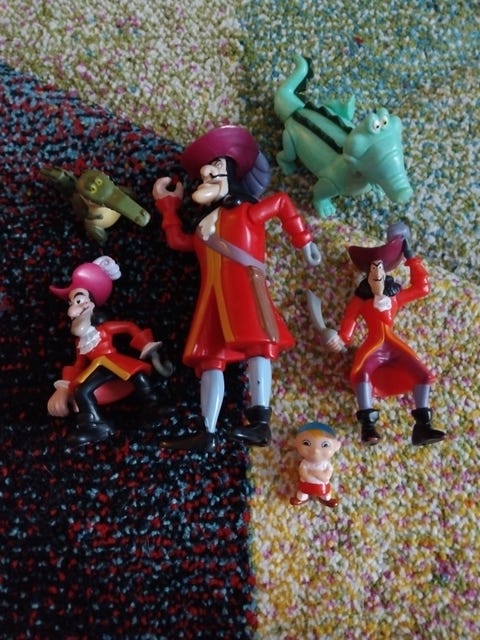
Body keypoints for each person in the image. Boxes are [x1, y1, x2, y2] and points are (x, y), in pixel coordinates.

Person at [153, 125, 321, 452]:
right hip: (211, 299)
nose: (206, 175)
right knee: (209, 359)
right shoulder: (203, 225)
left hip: (245, 289)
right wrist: (169, 207)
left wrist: (304, 241)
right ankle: (207, 431)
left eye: (214, 168)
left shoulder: (247, 212)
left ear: (231, 174)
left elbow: (282, 203)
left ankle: (260, 422)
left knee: (259, 345)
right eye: (204, 172)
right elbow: (178, 241)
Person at [325, 224, 446, 446]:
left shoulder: (394, 298)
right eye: (373, 271)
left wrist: (412, 259)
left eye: (381, 270)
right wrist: (339, 339)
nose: (378, 276)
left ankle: (423, 426)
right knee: (362, 374)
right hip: (373, 347)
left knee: (423, 375)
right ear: (367, 276)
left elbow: (422, 287)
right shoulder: (359, 301)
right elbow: (348, 326)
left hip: (393, 345)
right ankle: (368, 426)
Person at [47, 256, 173, 446]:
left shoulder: (104, 328)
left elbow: (129, 327)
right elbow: (79, 363)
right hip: (97, 368)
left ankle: (153, 405)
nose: (72, 309)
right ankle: (94, 424)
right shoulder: (81, 341)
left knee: (137, 375)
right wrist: (64, 388)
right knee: (82, 391)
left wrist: (145, 345)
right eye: (71, 303)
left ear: (90, 303)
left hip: (114, 360)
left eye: (78, 299)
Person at [290, 422, 341, 508]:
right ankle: (301, 498)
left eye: (325, 445)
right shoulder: (305, 463)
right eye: (306, 443)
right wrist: (308, 477)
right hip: (306, 485)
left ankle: (326, 499)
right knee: (302, 493)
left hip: (322, 486)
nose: (316, 450)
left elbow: (327, 476)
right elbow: (303, 472)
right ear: (296, 443)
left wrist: (316, 474)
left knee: (326, 494)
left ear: (336, 446)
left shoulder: (326, 464)